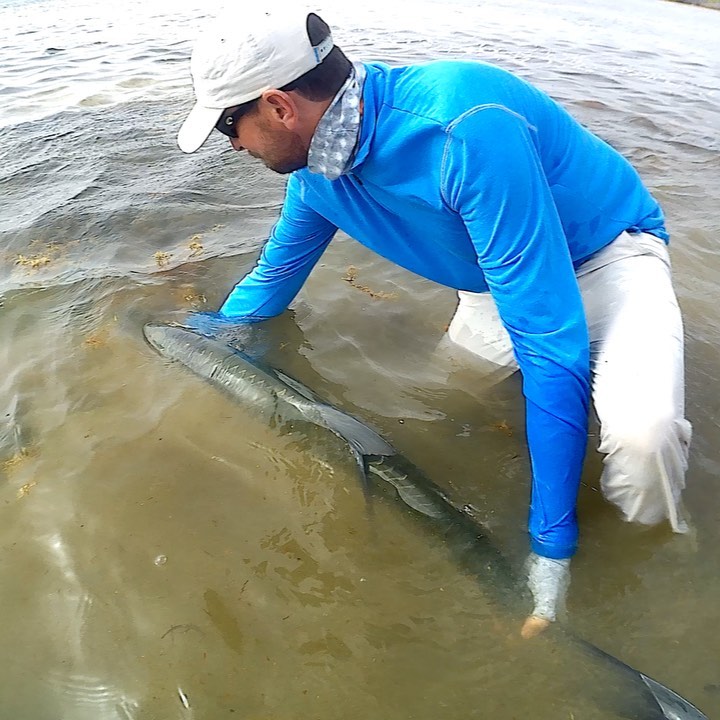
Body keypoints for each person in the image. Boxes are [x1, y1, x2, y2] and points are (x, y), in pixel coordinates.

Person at [176, 6, 692, 637]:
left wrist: (550, 546)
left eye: (232, 123)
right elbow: (270, 282)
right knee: (447, 403)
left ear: (280, 107)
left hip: (608, 257)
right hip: (495, 280)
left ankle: (645, 561)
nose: (231, 144)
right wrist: (199, 334)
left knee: (644, 437)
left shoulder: (464, 126)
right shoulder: (317, 177)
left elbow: (549, 344)